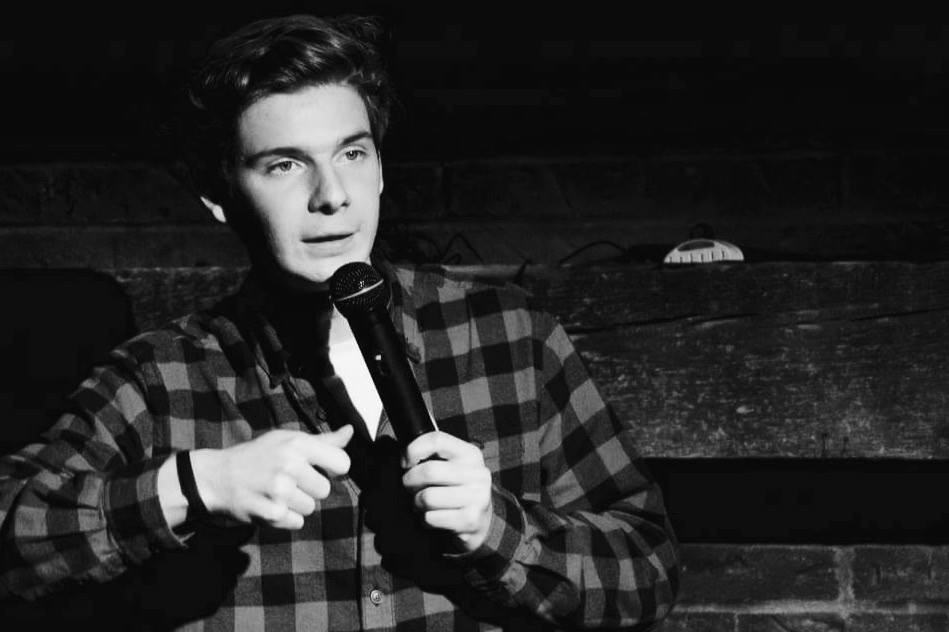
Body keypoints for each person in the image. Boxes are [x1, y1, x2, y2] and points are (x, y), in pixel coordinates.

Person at [0, 14, 679, 630]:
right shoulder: (162, 377)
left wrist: (497, 531)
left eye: (352, 154)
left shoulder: (511, 339)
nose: (332, 196)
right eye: (285, 165)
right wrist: (195, 486)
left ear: (379, 168)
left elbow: (647, 570)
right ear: (219, 194)